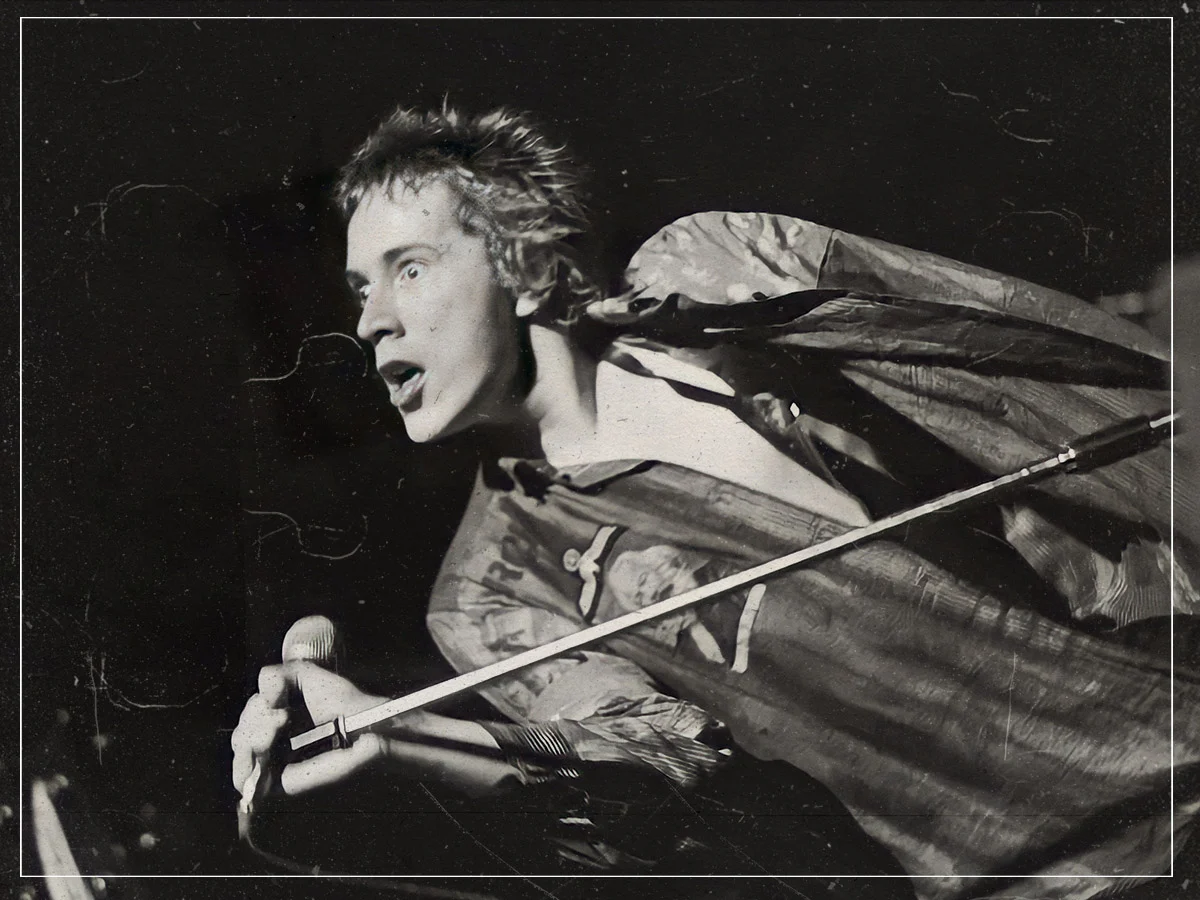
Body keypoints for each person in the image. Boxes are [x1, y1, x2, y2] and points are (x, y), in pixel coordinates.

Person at [231, 106, 1198, 897]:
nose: (370, 321)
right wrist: (401, 737)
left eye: (408, 268)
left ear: (520, 265)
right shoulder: (490, 589)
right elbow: (653, 762)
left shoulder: (713, 280)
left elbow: (1014, 353)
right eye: (359, 290)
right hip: (1068, 877)